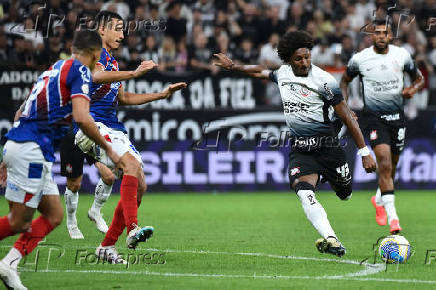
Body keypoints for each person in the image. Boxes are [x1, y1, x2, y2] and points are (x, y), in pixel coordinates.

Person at [213, 30, 377, 257]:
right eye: (299, 59)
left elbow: (347, 116)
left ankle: (326, 178)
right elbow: (261, 72)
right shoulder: (283, 74)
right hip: (302, 149)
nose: (304, 62)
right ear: (289, 59)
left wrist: (364, 152)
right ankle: (332, 239)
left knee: (345, 194)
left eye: (307, 57)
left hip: (328, 148)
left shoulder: (324, 81)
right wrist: (233, 67)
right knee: (302, 189)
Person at [0, 30, 119, 290]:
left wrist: (8, 154)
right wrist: (109, 150)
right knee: (18, 221)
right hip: (30, 148)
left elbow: (22, 110)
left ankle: (9, 264)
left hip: (22, 144)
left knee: (53, 214)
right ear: (96, 53)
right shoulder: (81, 71)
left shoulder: (54, 68)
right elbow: (82, 117)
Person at [74, 10, 187, 264]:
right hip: (92, 123)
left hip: (113, 126)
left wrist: (160, 95)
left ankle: (106, 246)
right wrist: (134, 73)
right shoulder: (93, 53)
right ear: (101, 29)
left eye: (123, 30)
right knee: (131, 165)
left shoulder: (112, 61)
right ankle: (133, 227)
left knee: (141, 186)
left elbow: (123, 98)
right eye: (117, 28)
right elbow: (95, 76)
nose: (122, 35)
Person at [340, 19, 424, 234]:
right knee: (384, 162)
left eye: (384, 33)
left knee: (391, 168)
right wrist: (346, 106)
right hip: (374, 119)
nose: (380, 36)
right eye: (376, 33)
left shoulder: (401, 55)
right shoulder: (360, 59)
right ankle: (394, 219)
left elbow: (420, 79)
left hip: (397, 118)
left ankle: (378, 200)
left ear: (390, 36)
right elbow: (344, 80)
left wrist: (413, 89)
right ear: (371, 36)